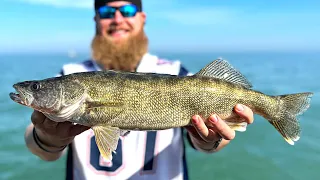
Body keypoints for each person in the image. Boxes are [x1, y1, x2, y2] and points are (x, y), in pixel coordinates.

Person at [24, 0, 254, 179]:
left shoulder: (178, 72)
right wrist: (46, 137)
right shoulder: (69, 73)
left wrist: (210, 140)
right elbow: (39, 147)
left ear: (142, 18)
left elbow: (210, 143)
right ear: (95, 20)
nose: (117, 19)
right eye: (106, 13)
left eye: (127, 11)